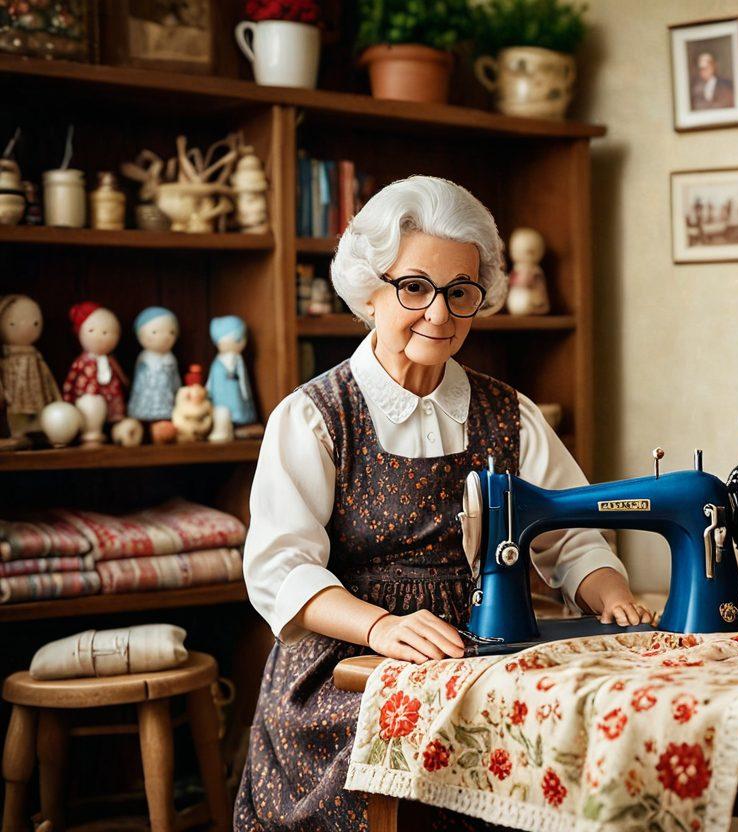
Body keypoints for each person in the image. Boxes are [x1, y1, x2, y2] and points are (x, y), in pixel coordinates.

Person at [236, 176, 652, 831]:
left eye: (460, 293)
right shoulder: (315, 417)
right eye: (414, 288)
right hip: (350, 673)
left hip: (480, 662)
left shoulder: (510, 414)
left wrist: (611, 596)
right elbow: (280, 569)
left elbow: (572, 534)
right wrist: (379, 627)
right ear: (371, 292)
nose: (439, 314)